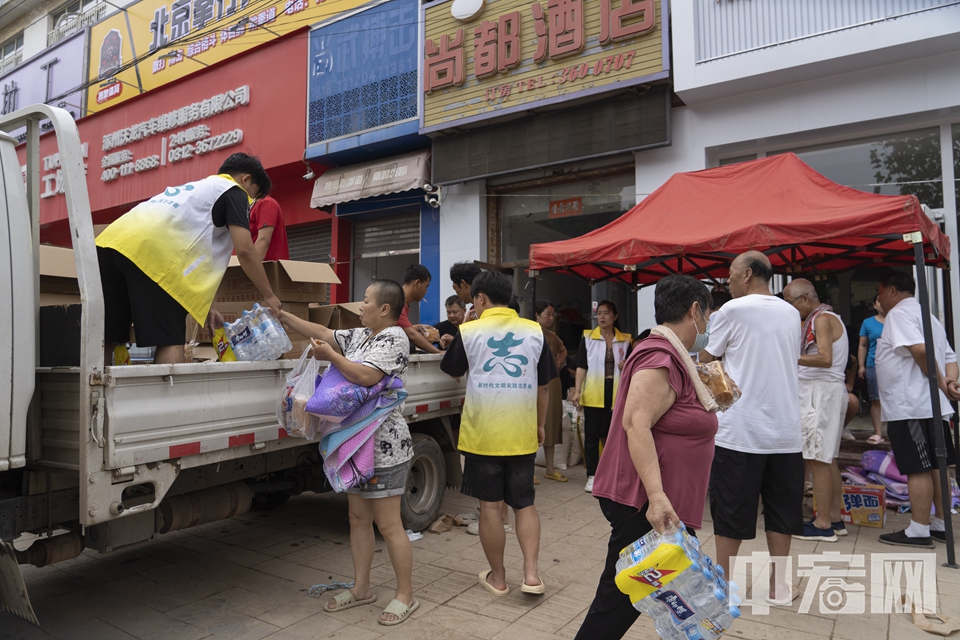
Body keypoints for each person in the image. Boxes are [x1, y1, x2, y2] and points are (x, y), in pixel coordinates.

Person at [575, 275, 719, 640]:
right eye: (709, 315)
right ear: (695, 310)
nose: (708, 326)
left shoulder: (675, 356)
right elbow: (636, 423)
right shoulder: (660, 356)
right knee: (617, 604)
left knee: (665, 601)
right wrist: (656, 498)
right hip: (645, 505)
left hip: (657, 503)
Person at [279, 280, 418, 625]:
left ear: (384, 309)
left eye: (366, 301)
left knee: (388, 524)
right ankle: (362, 588)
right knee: (358, 519)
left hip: (384, 445)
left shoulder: (395, 338)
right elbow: (324, 332)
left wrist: (332, 358)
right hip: (354, 444)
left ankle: (405, 595)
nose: (360, 306)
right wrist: (283, 315)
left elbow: (367, 376)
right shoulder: (361, 335)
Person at [96, 153, 281, 365]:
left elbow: (198, 251)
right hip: (153, 253)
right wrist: (269, 295)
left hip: (109, 244)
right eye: (253, 195)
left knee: (106, 336)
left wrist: (207, 308)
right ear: (245, 179)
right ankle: (167, 398)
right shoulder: (234, 191)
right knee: (170, 339)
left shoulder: (196, 191)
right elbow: (246, 250)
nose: (251, 202)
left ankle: (91, 396)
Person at [440, 270, 557, 597]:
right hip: (521, 433)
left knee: (491, 507)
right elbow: (544, 386)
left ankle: (499, 578)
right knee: (524, 504)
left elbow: (451, 369)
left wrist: (464, 326)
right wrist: (539, 424)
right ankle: (532, 575)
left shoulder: (469, 330)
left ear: (479, 299)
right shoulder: (535, 331)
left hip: (483, 435)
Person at [700, 251, 803, 604]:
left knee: (730, 509)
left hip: (740, 428)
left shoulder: (731, 310)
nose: (726, 281)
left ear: (746, 274)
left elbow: (707, 357)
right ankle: (778, 587)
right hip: (787, 429)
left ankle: (722, 586)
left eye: (729, 275)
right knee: (781, 509)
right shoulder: (792, 312)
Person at [874, 271, 960, 547]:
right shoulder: (929, 316)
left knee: (918, 467)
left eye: (879, 292)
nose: (878, 299)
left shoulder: (899, 314)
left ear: (891, 291)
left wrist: (940, 382)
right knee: (938, 464)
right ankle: (940, 523)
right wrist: (948, 381)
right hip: (929, 403)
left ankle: (919, 529)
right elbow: (949, 357)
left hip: (911, 404)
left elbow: (921, 352)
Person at [783, 279, 848, 542]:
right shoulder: (826, 317)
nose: (789, 308)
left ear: (805, 299)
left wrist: (787, 355)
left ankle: (822, 525)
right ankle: (834, 517)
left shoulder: (821, 319)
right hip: (825, 392)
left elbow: (824, 358)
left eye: (790, 303)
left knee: (818, 458)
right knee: (827, 458)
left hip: (821, 392)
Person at [570, 301, 632, 493]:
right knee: (592, 435)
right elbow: (582, 366)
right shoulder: (588, 337)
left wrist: (626, 365)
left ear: (615, 316)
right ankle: (592, 475)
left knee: (613, 435)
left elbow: (633, 366)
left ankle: (613, 473)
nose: (602, 317)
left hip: (616, 391)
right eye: (599, 313)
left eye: (606, 313)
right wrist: (577, 390)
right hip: (594, 390)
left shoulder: (625, 340)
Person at [535, 301, 569, 483]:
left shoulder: (553, 337)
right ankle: (528, 470)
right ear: (537, 315)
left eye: (552, 314)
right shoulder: (529, 334)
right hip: (533, 383)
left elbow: (563, 350)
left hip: (552, 382)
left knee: (551, 424)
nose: (550, 317)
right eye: (547, 314)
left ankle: (549, 469)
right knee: (531, 424)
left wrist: (559, 360)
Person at [858, 295, 887, 445]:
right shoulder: (867, 323)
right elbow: (863, 345)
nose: (882, 305)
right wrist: (861, 365)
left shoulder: (897, 320)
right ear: (874, 305)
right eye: (879, 302)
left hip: (894, 366)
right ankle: (878, 432)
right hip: (873, 365)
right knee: (876, 399)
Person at [398, 264, 441, 354]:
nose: (426, 291)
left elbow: (400, 328)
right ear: (417, 283)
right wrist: (438, 352)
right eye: (426, 286)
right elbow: (411, 334)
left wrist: (418, 327)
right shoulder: (398, 303)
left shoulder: (403, 303)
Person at [249, 194, 289, 261]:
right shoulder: (251, 207)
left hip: (268, 266)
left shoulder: (266, 203)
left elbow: (264, 240)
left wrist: (250, 267)